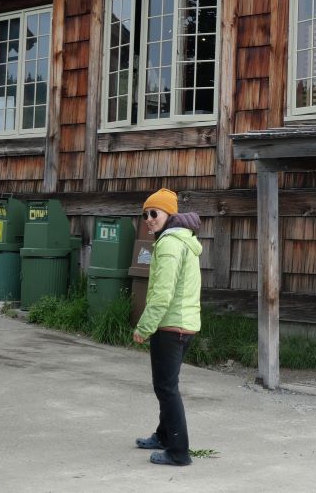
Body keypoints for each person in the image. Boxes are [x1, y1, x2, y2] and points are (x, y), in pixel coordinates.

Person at [132, 188, 203, 466]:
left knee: (166, 388)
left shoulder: (170, 244)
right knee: (166, 385)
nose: (149, 218)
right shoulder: (182, 239)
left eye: (154, 213)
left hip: (171, 326)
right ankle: (164, 436)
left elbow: (163, 293)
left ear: (169, 214)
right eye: (146, 214)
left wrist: (144, 327)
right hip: (183, 324)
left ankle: (178, 452)